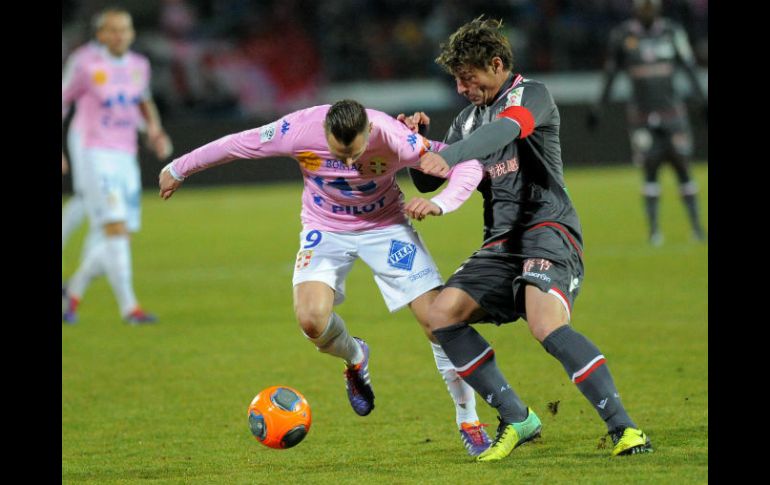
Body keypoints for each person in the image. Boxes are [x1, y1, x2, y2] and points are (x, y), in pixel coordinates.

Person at [158, 99, 493, 456]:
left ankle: (468, 419)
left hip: (386, 228)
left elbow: (468, 163)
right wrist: (179, 168)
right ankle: (355, 357)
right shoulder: (299, 128)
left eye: (355, 153)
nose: (349, 163)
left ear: (369, 132)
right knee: (311, 320)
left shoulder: (395, 136)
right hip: (325, 229)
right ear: (325, 133)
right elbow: (238, 143)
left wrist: (442, 202)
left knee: (437, 322)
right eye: (339, 153)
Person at [406, 16, 652, 462]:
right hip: (500, 241)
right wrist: (416, 147)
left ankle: (625, 428)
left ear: (497, 64)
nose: (461, 88)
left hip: (548, 229)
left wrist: (451, 154)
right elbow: (428, 179)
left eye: (468, 78)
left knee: (545, 324)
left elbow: (507, 129)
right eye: (457, 80)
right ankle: (517, 417)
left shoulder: (530, 95)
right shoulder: (467, 118)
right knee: (442, 316)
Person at [62, 7, 173, 324]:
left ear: (132, 33)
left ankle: (73, 292)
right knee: (115, 228)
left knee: (118, 234)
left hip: (125, 154)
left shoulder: (139, 65)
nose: (119, 35)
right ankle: (130, 308)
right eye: (112, 30)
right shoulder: (84, 62)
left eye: (124, 30)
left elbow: (143, 100)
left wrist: (155, 130)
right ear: (101, 35)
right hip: (94, 151)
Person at [587, 0, 707, 246]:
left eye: (650, 5)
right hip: (642, 117)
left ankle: (697, 229)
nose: (647, 9)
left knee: (683, 166)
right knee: (650, 169)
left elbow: (689, 67)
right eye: (643, 5)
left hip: (673, 115)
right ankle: (654, 233)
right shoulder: (623, 35)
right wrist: (599, 106)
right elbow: (610, 73)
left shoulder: (672, 32)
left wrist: (703, 100)